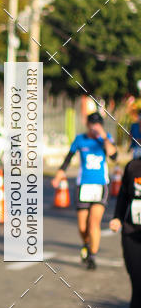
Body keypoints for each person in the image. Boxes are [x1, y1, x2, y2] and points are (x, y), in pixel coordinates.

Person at [52, 112, 117, 269]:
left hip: (101, 185)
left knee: (94, 222)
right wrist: (58, 176)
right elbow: (68, 159)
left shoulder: (105, 138)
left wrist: (103, 137)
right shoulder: (80, 140)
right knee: (82, 226)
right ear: (87, 125)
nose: (94, 127)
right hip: (83, 186)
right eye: (92, 124)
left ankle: (92, 257)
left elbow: (114, 155)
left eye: (97, 124)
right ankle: (87, 244)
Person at [109, 157, 141, 308]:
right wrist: (117, 217)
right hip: (132, 234)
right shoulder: (134, 166)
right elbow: (123, 195)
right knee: (138, 287)